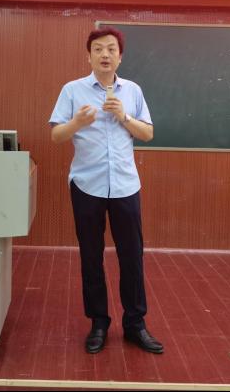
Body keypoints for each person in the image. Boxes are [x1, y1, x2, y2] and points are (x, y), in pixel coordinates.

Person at [49, 27, 163, 355]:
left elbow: (147, 134)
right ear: (89, 56)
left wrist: (123, 115)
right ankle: (98, 323)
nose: (105, 54)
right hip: (87, 185)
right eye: (98, 49)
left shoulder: (133, 91)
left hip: (126, 186)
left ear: (120, 57)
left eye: (111, 49)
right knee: (91, 256)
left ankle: (135, 324)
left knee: (132, 257)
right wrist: (77, 124)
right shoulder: (72, 90)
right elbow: (57, 136)